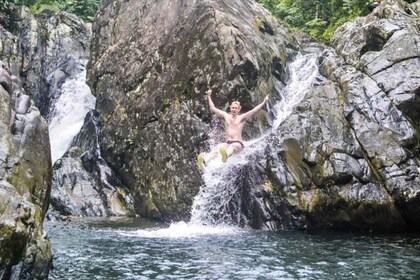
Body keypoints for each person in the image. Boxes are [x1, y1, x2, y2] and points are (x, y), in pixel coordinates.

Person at [197, 87, 269, 170]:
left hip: (238, 144)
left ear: (239, 109)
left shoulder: (242, 117)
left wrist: (264, 102)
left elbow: (254, 111)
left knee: (232, 146)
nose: (234, 109)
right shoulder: (226, 116)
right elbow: (213, 108)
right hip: (227, 144)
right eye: (233, 108)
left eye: (236, 108)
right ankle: (205, 162)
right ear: (230, 108)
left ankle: (226, 156)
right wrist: (209, 96)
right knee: (217, 147)